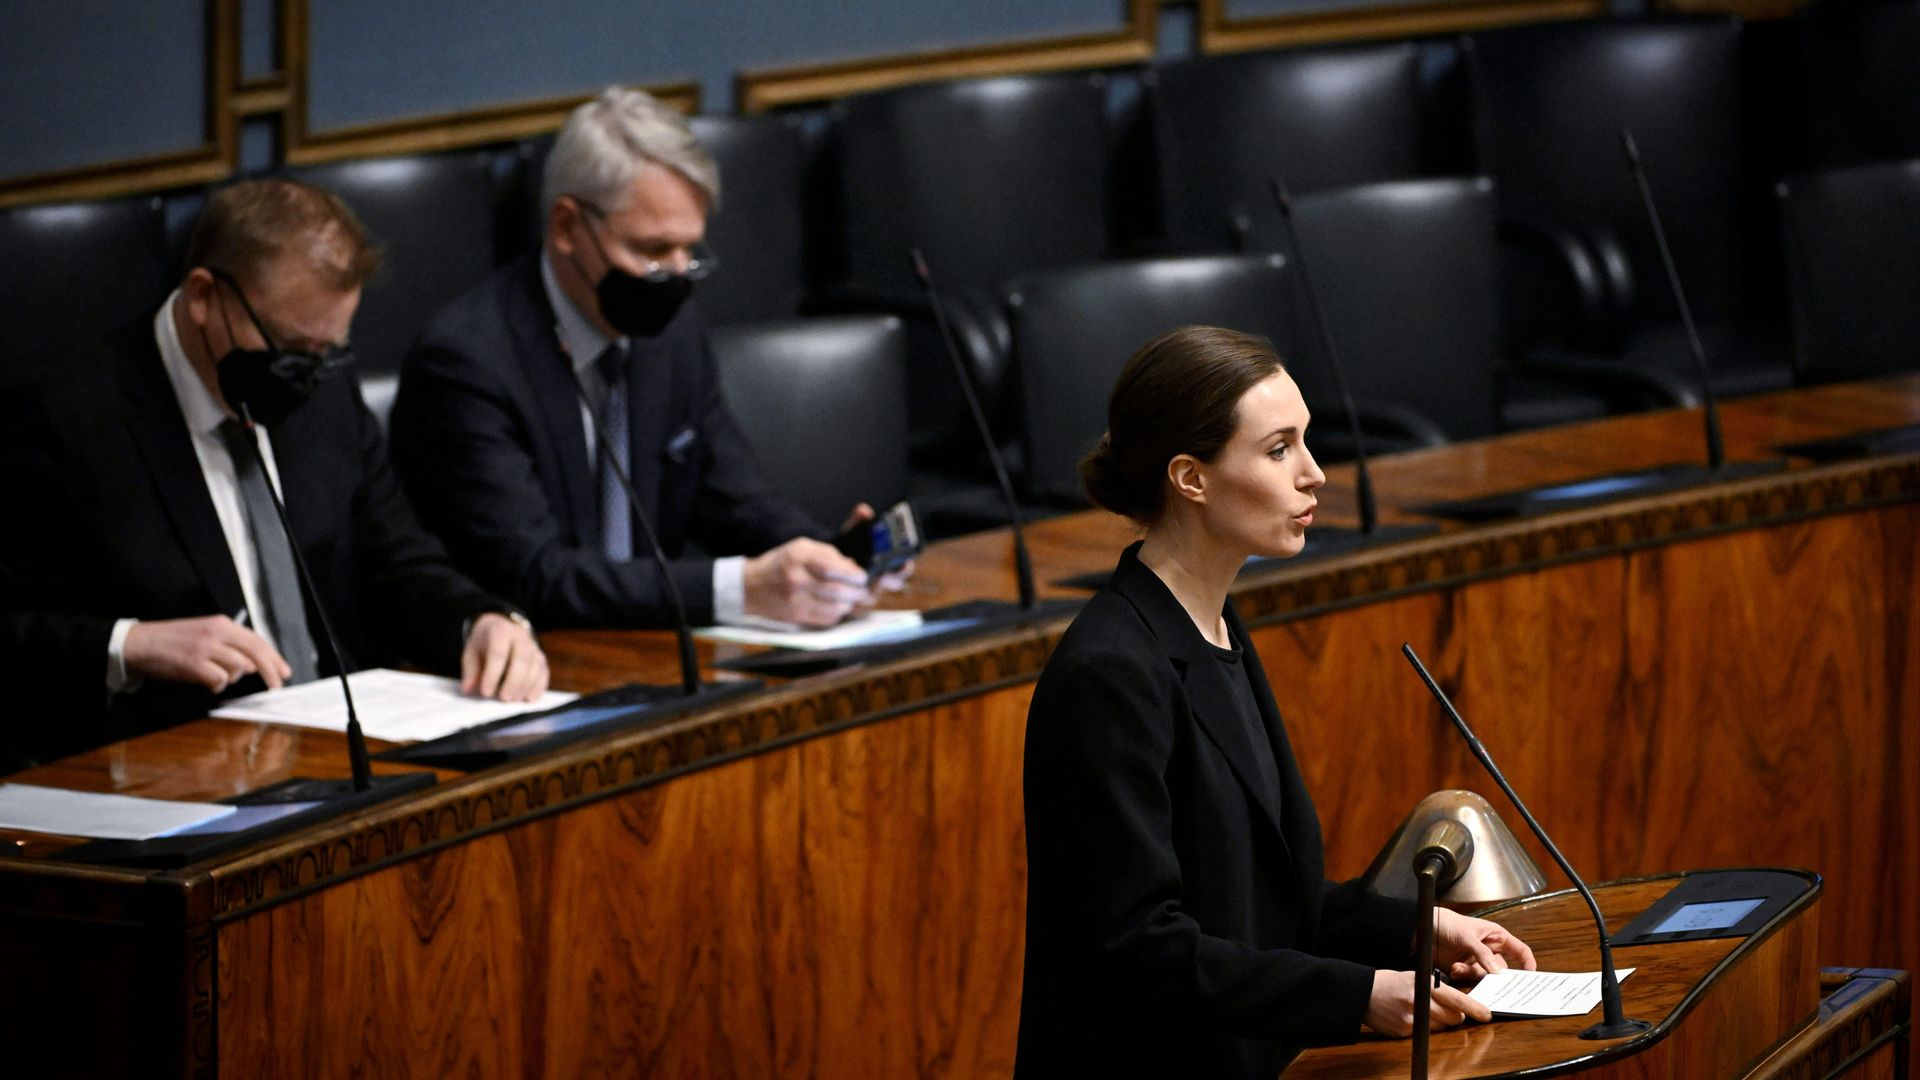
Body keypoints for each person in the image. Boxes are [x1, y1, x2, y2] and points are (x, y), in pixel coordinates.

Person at [1016, 326, 1535, 1077]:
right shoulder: (1111, 672)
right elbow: (1139, 944)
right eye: (1279, 449)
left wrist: (1415, 932)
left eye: (1305, 442)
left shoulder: (1215, 628)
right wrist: (1357, 996)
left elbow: (1260, 903)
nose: (1314, 474)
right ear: (1190, 478)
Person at [0, 178, 548, 768]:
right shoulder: (70, 417)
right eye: (287, 348)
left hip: (339, 749)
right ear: (204, 296)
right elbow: (10, 629)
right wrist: (130, 643)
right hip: (173, 766)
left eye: (325, 351)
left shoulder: (324, 390)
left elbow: (397, 558)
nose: (305, 378)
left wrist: (479, 620)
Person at [391, 86, 897, 631]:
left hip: (649, 645)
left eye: (689, 249)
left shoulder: (672, 332)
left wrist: (828, 559)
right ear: (567, 227)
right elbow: (534, 575)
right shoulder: (467, 361)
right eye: (653, 250)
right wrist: (740, 589)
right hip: (528, 656)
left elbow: (730, 496)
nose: (676, 275)